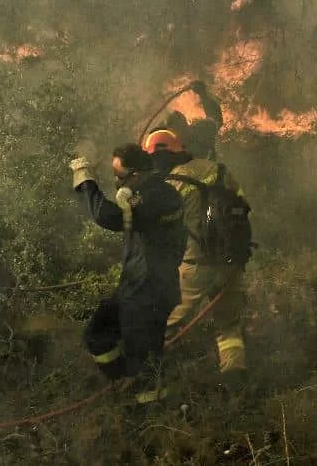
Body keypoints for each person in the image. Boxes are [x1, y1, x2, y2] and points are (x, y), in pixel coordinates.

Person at [70, 144, 185, 405]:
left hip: (147, 290)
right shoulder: (160, 192)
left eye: (119, 176)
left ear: (136, 173)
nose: (117, 182)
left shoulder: (154, 197)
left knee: (144, 364)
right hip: (139, 286)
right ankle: (124, 379)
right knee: (97, 333)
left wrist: (86, 183)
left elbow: (106, 215)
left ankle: (153, 418)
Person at [142, 127, 252, 389]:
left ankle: (144, 382)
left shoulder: (169, 186)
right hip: (229, 263)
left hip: (193, 269)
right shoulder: (218, 170)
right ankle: (235, 382)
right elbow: (243, 206)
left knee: (162, 325)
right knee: (228, 327)